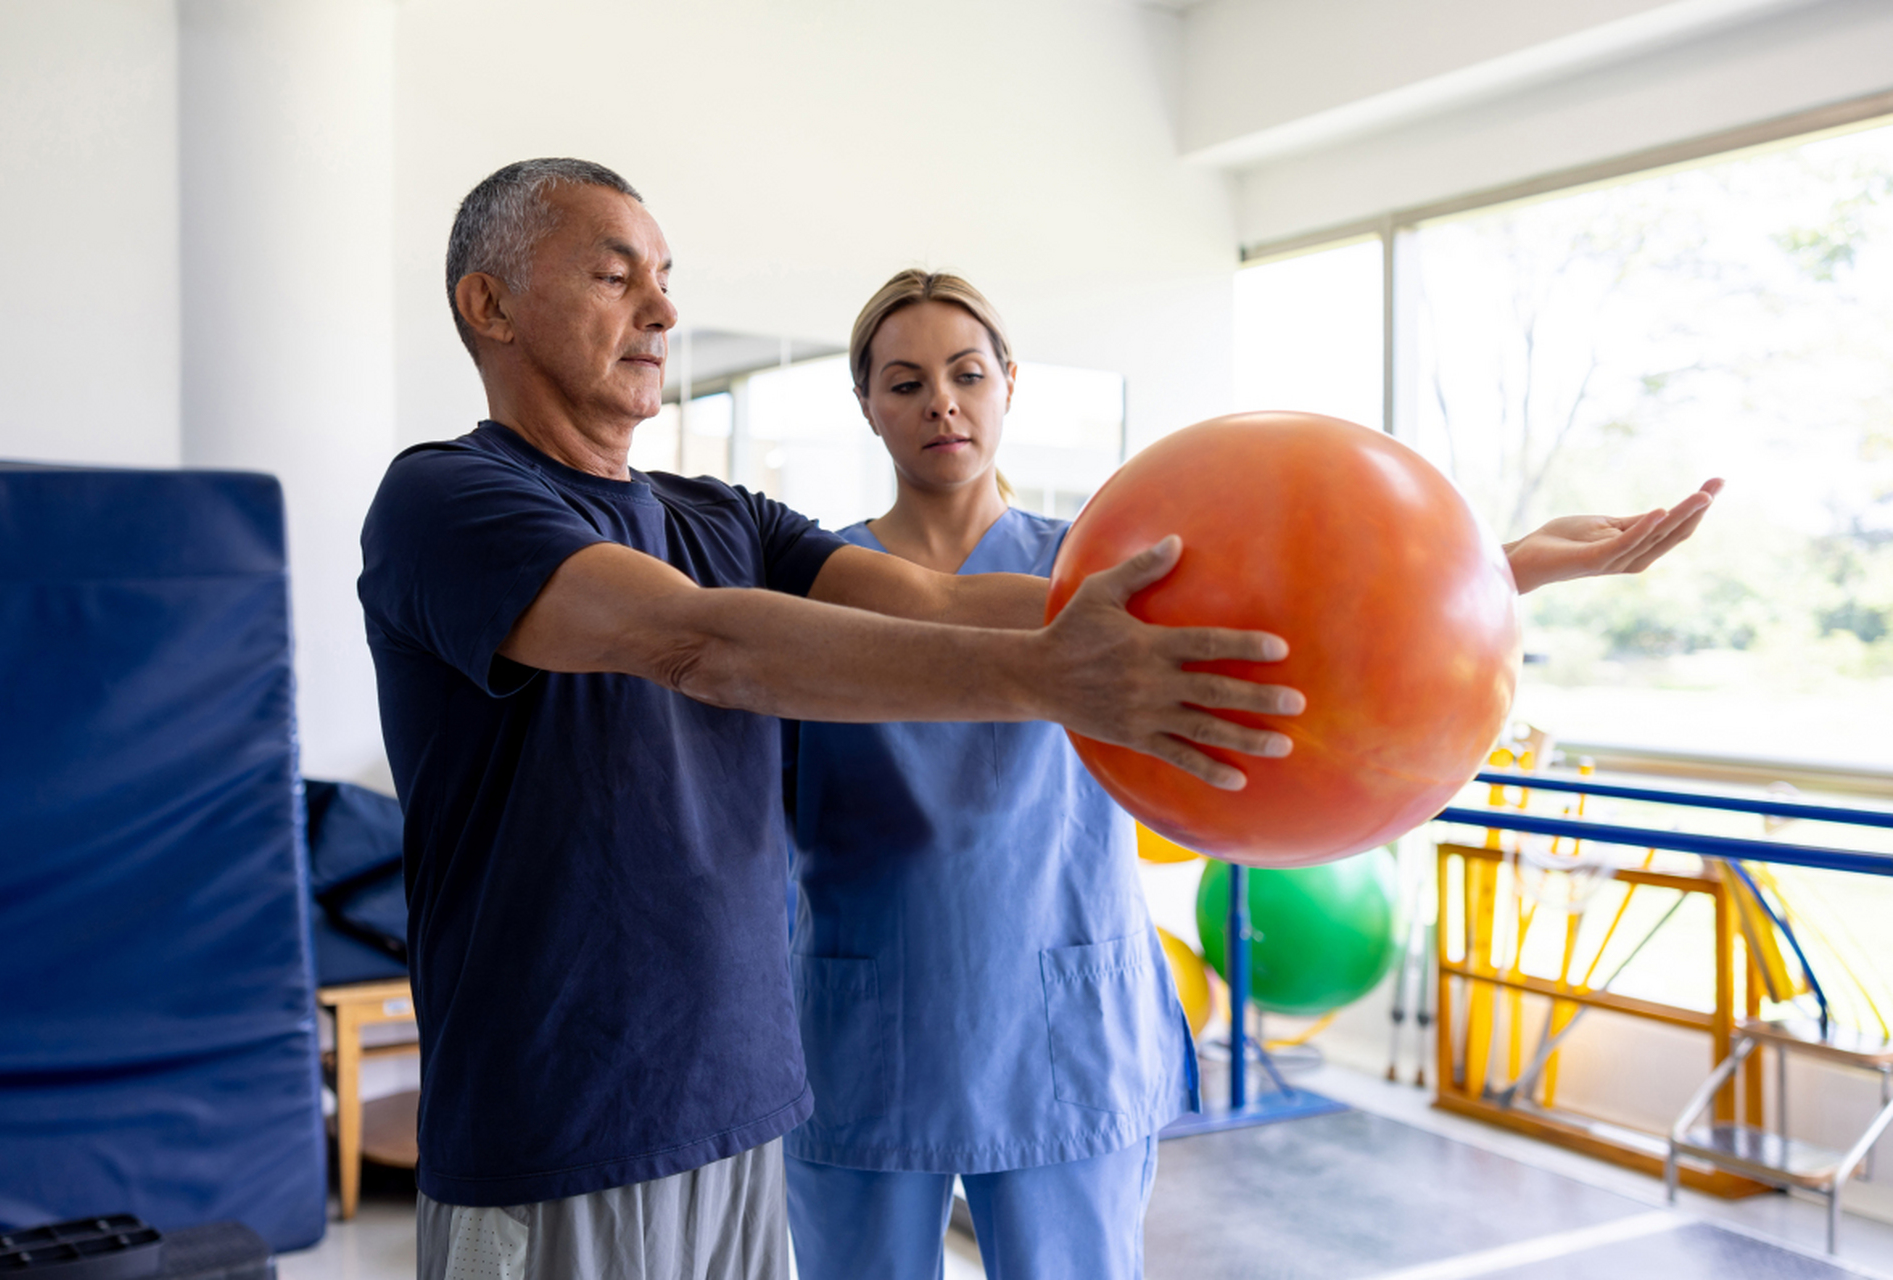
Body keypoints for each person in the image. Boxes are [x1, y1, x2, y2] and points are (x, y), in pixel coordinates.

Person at [357, 160, 1312, 1280]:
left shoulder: (722, 515)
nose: (663, 310)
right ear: (491, 304)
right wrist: (1054, 677)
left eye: (664, 279)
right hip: (563, 1127)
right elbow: (700, 644)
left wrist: (1462, 579)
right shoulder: (445, 500)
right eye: (616, 277)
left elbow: (948, 599)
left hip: (741, 1110)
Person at [782, 269, 1722, 1280]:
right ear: (867, 405)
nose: (942, 403)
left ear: (1010, 381)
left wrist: (1508, 565)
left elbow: (1298, 622)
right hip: (870, 1016)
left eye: (967, 373)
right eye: (906, 382)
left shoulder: (1104, 566)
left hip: (1061, 1008)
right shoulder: (819, 583)